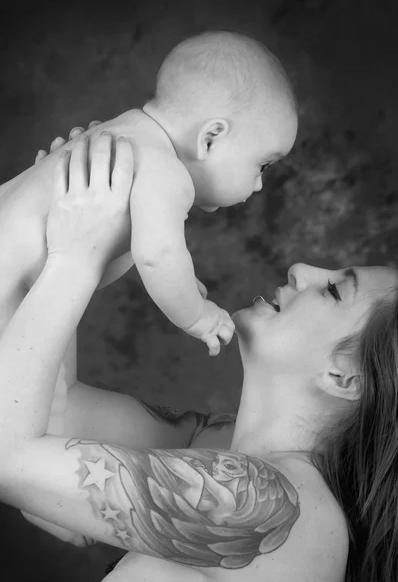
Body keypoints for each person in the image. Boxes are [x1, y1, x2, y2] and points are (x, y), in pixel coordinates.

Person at [0, 136, 397, 582]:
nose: (302, 269)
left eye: (334, 290)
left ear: (344, 377)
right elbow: (52, 408)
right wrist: (50, 227)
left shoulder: (281, 507)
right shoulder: (215, 444)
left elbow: (9, 455)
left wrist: (73, 261)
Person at [0, 29, 296, 542]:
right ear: (211, 138)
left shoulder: (119, 135)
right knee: (42, 409)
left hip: (15, 279)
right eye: (261, 165)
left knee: (48, 393)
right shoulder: (167, 173)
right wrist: (198, 316)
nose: (258, 184)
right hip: (12, 295)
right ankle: (50, 505)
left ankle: (48, 502)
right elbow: (158, 256)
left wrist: (187, 284)